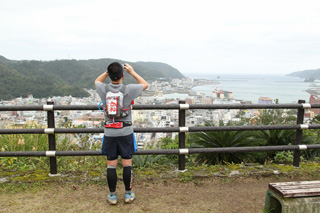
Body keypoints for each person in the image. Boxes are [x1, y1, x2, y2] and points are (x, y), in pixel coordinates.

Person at [95, 62, 148, 205]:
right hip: (125, 132)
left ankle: (112, 195)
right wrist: (132, 72)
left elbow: (97, 81)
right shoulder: (128, 89)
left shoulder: (103, 88)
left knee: (111, 164)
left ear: (109, 75)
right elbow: (145, 84)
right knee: (127, 163)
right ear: (122, 75)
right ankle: (128, 194)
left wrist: (107, 72)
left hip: (110, 132)